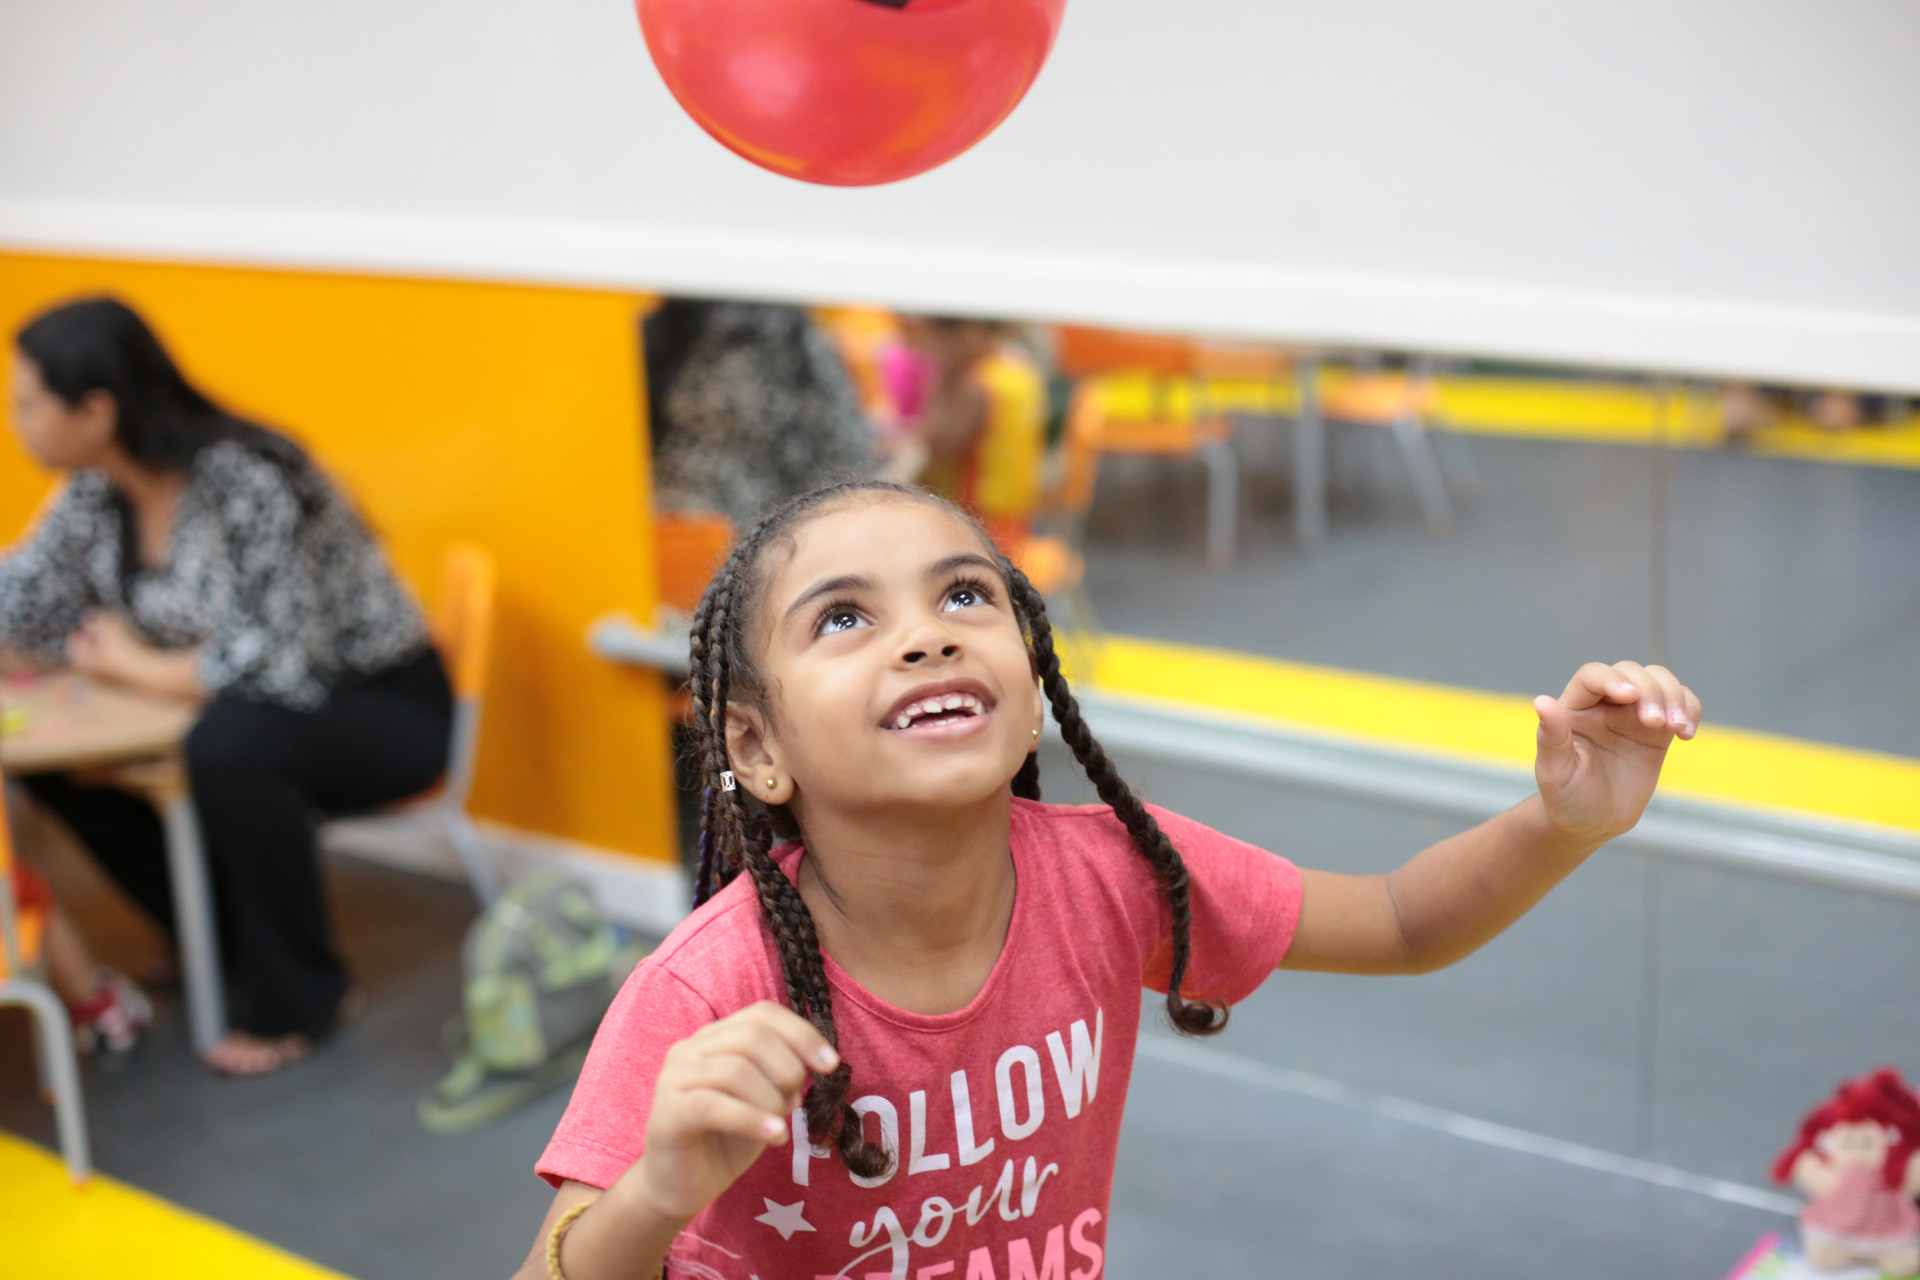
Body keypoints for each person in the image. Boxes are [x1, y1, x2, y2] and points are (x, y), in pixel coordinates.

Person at [514, 479, 1703, 1279]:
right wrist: (661, 1186)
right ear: (756, 748)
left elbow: (1398, 919)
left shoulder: (1114, 873)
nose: (925, 635)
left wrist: (1565, 820)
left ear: (1032, 677)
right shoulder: (708, 988)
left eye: (965, 594)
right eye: (843, 619)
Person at [1, 296, 453, 1076]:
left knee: (234, 745)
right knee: (54, 767)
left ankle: (304, 1000)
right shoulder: (92, 492)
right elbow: (23, 599)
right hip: (245, 698)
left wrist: (133, 667)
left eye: (28, 403)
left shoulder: (252, 477)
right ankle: (211, 930)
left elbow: (279, 660)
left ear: (97, 410)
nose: (17, 421)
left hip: (379, 704)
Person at [643, 299, 877, 531]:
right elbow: (840, 448)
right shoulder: (777, 331)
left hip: (683, 518)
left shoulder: (674, 322)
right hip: (757, 527)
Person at [884, 317, 1047, 550]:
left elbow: (932, 448)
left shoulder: (972, 385)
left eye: (936, 333)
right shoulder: (1017, 371)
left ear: (972, 333)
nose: (929, 346)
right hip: (1012, 522)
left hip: (973, 525)